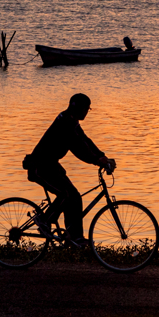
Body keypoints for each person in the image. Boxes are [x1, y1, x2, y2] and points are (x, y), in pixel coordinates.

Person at [22, 93, 115, 249]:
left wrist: (102, 156)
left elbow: (85, 140)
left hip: (50, 165)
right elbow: (78, 148)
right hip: (39, 167)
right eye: (86, 109)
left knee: (75, 197)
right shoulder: (66, 122)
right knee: (66, 194)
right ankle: (44, 220)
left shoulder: (70, 121)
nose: (87, 112)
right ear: (80, 108)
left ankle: (74, 237)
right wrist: (96, 161)